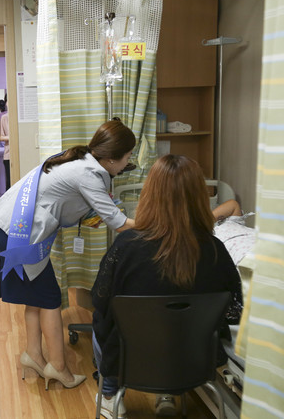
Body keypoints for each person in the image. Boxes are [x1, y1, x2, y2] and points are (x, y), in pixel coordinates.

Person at [0, 118, 136, 391]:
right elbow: (119, 223)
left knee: (35, 296)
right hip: (18, 231)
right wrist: (161, 224)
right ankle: (58, 368)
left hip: (11, 225)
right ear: (112, 158)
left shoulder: (82, 162)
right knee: (49, 298)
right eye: (127, 157)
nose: (128, 162)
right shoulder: (89, 174)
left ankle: (33, 355)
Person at [91, 154, 243, 419]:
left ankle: (110, 395)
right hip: (195, 358)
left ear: (150, 195)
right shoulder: (215, 250)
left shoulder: (126, 246)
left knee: (103, 318)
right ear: (199, 197)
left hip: (131, 358)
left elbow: (100, 300)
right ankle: (168, 394)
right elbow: (233, 310)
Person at [0, 109, 11, 189]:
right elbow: (1, 137)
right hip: (8, 154)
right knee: (9, 182)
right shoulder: (4, 117)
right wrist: (12, 137)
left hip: (21, 153)